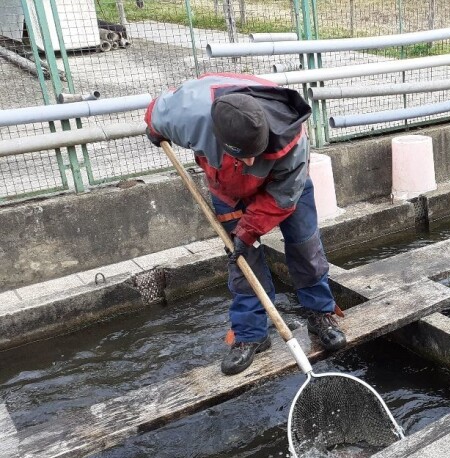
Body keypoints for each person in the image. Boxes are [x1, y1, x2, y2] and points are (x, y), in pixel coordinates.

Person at [144, 72, 347, 376]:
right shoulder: (188, 113)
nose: (251, 162)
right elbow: (153, 113)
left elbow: (283, 198)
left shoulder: (291, 135)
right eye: (244, 155)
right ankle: (251, 335)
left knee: (306, 247)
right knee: (242, 260)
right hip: (227, 188)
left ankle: (320, 314)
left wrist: (247, 230)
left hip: (285, 187)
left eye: (256, 153)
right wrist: (154, 131)